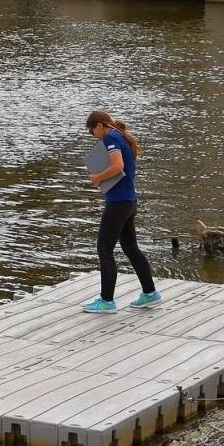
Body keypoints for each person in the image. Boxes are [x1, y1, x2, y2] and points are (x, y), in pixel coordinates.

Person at [83, 110, 161, 313]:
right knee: (130, 248)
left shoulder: (110, 137)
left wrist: (98, 177)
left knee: (104, 249)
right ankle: (150, 293)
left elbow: (118, 166)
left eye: (92, 132)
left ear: (100, 125)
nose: (94, 136)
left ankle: (107, 301)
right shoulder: (120, 135)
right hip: (129, 201)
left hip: (118, 203)